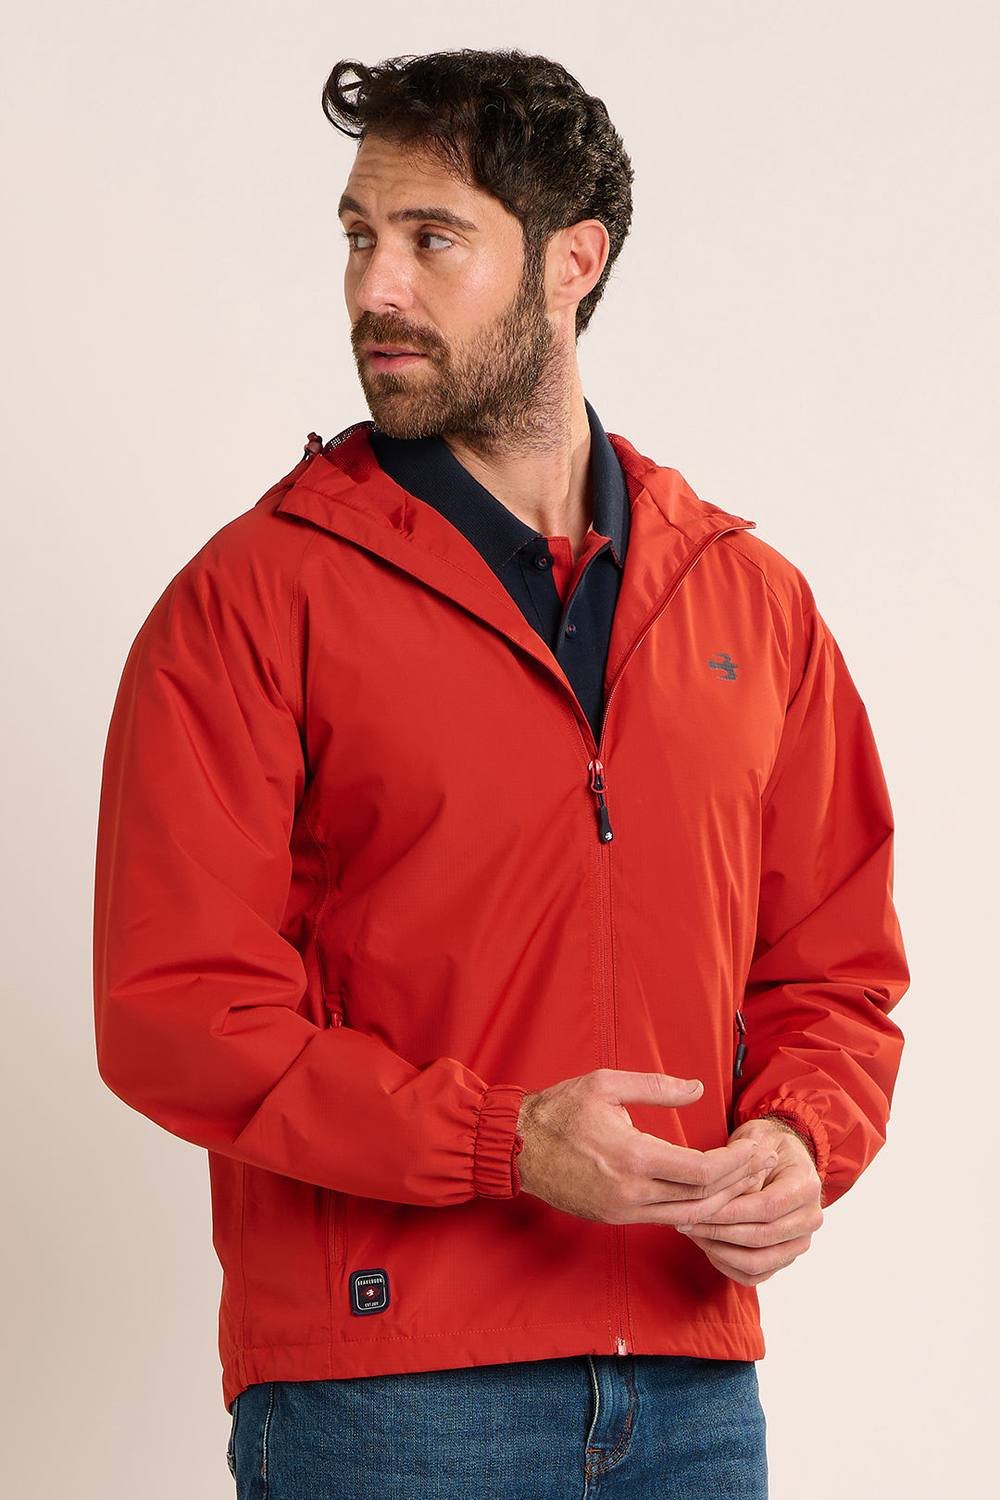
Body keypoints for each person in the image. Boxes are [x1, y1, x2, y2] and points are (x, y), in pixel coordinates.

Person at [92, 46, 909, 1499]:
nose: (374, 287)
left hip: (691, 1384)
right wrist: (502, 1142)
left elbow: (835, 969)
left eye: (432, 239)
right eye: (358, 235)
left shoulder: (749, 601)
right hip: (389, 1396)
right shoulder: (255, 599)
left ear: (571, 262)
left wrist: (800, 1137)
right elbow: (175, 1008)